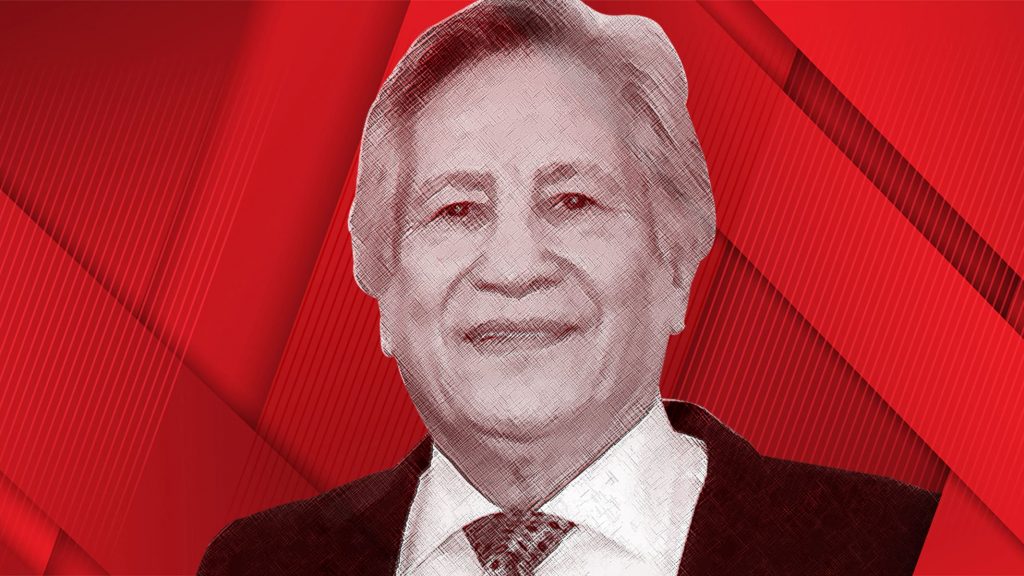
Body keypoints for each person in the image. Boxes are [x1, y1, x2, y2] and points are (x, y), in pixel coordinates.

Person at [198, 1, 938, 574]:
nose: (514, 267)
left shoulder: (903, 549)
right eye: (457, 209)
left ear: (676, 261)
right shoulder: (260, 565)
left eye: (573, 201)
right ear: (385, 285)